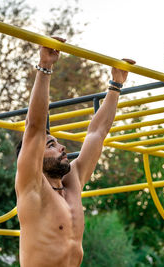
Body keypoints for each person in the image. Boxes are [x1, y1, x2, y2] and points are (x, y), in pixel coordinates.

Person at [15, 36, 135, 267]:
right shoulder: (32, 187)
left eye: (57, 143)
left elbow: (97, 133)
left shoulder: (73, 183)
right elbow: (35, 127)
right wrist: (45, 67)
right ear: (36, 158)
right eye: (51, 145)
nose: (62, 148)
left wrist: (116, 85)